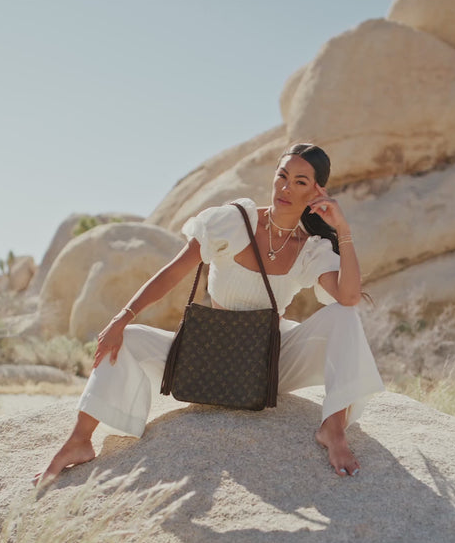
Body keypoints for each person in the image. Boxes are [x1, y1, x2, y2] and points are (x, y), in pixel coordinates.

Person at [35, 142, 383, 485]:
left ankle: (333, 429)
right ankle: (80, 439)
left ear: (317, 192)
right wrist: (122, 317)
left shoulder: (309, 248)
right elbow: (173, 273)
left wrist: (343, 230)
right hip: (206, 357)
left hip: (268, 365)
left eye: (300, 182)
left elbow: (349, 297)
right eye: (282, 176)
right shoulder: (234, 221)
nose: (286, 188)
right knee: (124, 338)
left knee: (343, 315)